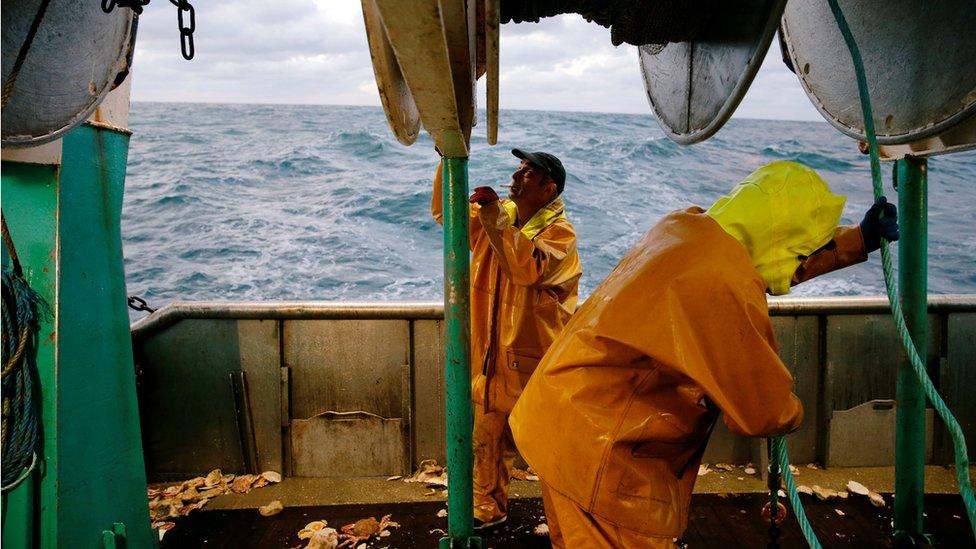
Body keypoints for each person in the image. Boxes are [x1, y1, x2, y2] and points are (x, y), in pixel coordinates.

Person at [509, 160, 899, 548]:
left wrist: (857, 240)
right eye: (808, 247)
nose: (805, 260)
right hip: (602, 455)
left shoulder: (682, 226)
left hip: (557, 419)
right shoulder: (725, 284)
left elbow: (774, 261)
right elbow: (762, 410)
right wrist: (792, 411)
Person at [431, 148, 582, 529]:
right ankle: (487, 507)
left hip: (536, 364)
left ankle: (573, 522)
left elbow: (527, 267)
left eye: (528, 174)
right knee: (487, 439)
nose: (515, 177)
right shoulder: (496, 221)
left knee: (549, 447)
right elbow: (445, 216)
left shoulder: (560, 236)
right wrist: (444, 159)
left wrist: (494, 217)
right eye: (517, 170)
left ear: (549, 190)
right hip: (490, 358)